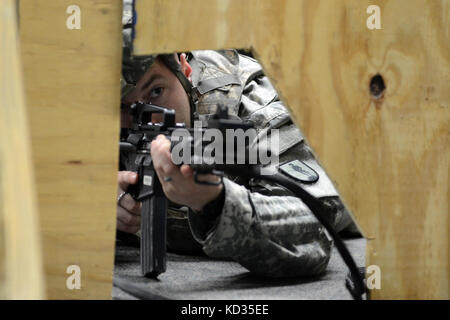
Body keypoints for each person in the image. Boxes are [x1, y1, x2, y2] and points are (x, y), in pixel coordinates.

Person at [117, 3, 357, 278]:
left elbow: (312, 232)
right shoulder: (82, 126)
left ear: (184, 68)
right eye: (122, 107)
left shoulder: (255, 109)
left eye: (156, 91)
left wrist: (214, 202)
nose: (147, 118)